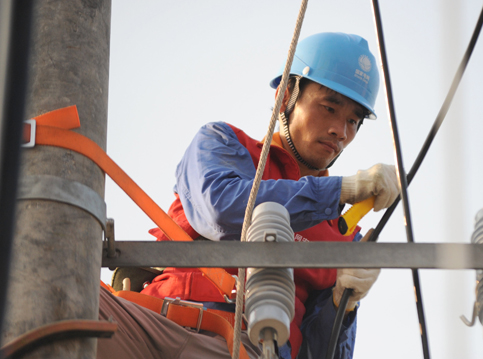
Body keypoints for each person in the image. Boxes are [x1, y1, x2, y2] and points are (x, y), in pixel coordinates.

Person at [98, 32, 400, 359]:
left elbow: (320, 352)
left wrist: (345, 301)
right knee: (65, 298)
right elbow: (221, 209)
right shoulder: (226, 145)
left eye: (353, 121)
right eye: (329, 108)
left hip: (243, 349)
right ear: (285, 96)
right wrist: (340, 189)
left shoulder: (345, 237)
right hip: (151, 325)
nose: (340, 132)